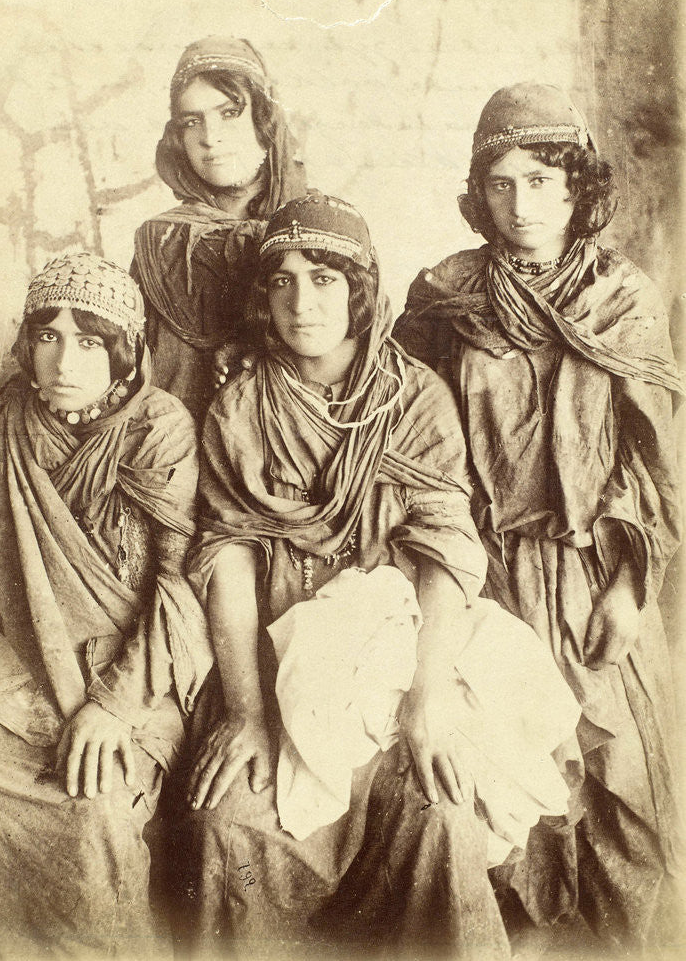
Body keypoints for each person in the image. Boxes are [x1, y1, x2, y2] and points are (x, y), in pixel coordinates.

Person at [173, 193, 587, 960]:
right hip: (278, 652)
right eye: (283, 281)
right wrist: (248, 711)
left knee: (443, 812)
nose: (303, 303)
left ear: (361, 291)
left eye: (325, 279)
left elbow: (443, 556)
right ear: (261, 296)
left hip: (407, 655)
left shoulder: (414, 400)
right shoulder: (238, 407)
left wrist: (426, 700)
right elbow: (226, 553)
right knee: (227, 822)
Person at [392, 83, 683, 951]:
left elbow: (652, 457)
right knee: (509, 776)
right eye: (502, 183)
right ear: (476, 193)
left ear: (578, 188)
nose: (522, 204)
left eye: (544, 180)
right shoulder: (444, 296)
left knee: (621, 781)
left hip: (593, 565)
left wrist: (630, 587)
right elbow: (408, 428)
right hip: (481, 574)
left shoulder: (622, 300)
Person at [0, 253, 213, 958]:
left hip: (134, 673)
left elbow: (175, 585)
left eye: (89, 338)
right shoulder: (1, 426)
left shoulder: (158, 426)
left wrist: (113, 703)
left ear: (125, 350)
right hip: (10, 662)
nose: (64, 358)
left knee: (93, 808)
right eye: (47, 336)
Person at [131, 36, 307, 423]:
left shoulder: (318, 228)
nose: (210, 138)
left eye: (229, 113)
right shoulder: (162, 243)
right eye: (192, 121)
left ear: (264, 119)